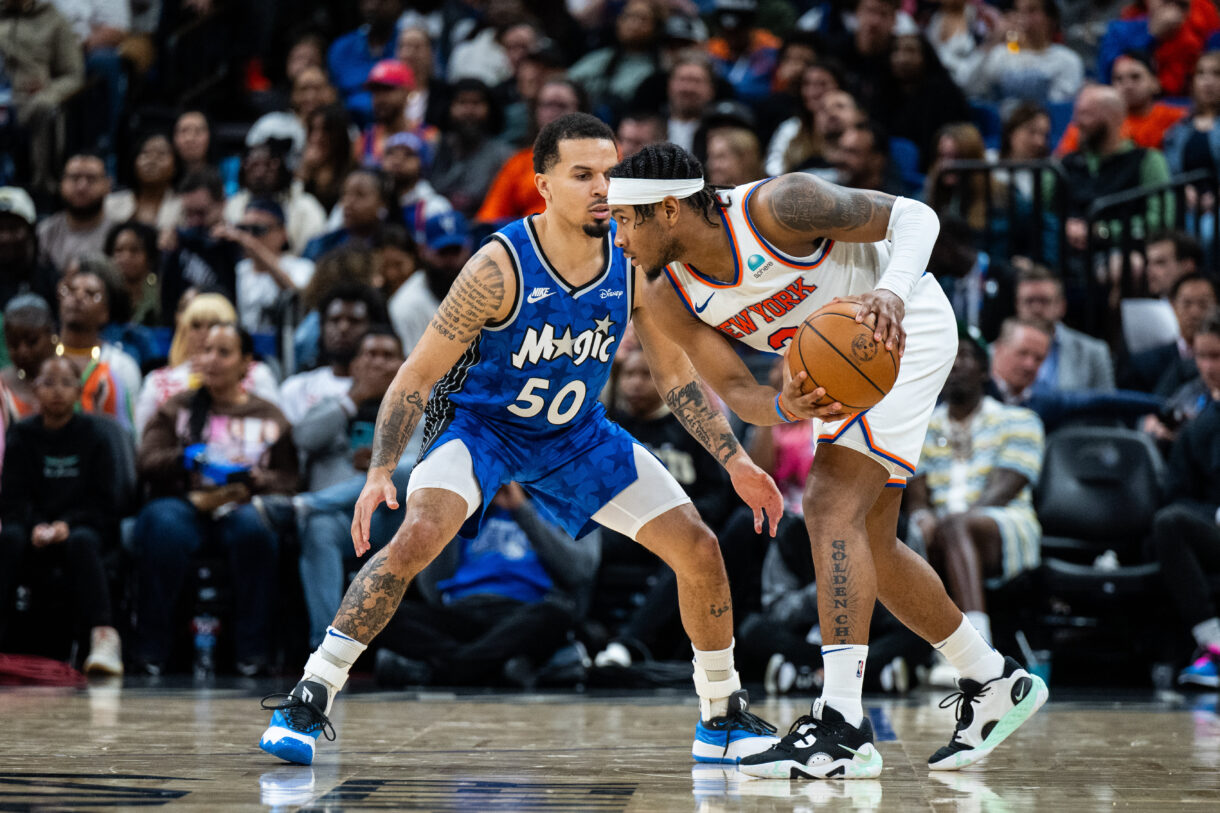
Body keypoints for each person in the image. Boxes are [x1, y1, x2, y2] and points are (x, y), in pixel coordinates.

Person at [260, 113, 784, 768]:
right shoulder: (498, 266)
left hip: (574, 434)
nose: (603, 187)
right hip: (483, 427)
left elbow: (674, 378)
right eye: (583, 174)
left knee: (700, 547)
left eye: (610, 173)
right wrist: (379, 472)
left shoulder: (631, 260)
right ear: (543, 184)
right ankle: (311, 691)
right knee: (418, 535)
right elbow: (416, 375)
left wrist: (735, 460)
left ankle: (721, 716)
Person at [607, 142, 1048, 779]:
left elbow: (917, 216)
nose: (617, 237)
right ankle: (992, 677)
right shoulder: (669, 294)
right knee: (872, 541)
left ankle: (842, 725)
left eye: (626, 220)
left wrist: (891, 294)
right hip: (845, 375)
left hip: (906, 326)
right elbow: (737, 393)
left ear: (669, 209)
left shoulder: (779, 207)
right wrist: (783, 403)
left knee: (826, 506)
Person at [133, 323, 297, 676]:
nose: (211, 359)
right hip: (184, 504)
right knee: (162, 526)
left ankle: (252, 653)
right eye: (205, 350)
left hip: (242, 505)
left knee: (256, 529)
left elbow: (291, 478)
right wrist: (186, 458)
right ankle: (152, 650)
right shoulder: (176, 408)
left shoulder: (270, 415)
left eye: (224, 352)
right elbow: (146, 462)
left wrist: (258, 479)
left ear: (245, 363)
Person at [374, 482, 595, 688]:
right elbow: (432, 585)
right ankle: (485, 667)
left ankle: (444, 669)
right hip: (463, 613)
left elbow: (580, 571)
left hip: (523, 613)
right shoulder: (467, 510)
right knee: (378, 610)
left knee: (557, 613)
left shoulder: (565, 503)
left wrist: (521, 509)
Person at [908, 335, 1045, 653]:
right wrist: (923, 518)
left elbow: (1005, 490)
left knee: (955, 526)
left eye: (966, 356)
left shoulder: (1020, 420)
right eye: (949, 358)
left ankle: (977, 646)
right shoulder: (921, 428)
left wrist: (949, 524)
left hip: (1003, 523)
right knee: (911, 534)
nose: (955, 364)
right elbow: (916, 499)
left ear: (984, 371)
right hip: (941, 527)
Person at [0, 355, 124, 675]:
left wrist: (67, 525)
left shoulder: (95, 435)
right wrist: (35, 525)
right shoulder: (22, 435)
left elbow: (105, 500)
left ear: (78, 390)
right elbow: (13, 496)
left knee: (82, 542)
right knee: (9, 538)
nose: (57, 391)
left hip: (84, 525)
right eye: (48, 383)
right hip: (33, 527)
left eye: (66, 383)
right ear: (35, 389)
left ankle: (104, 638)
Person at [294, 326, 408, 648]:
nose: (378, 363)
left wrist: (382, 466)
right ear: (354, 364)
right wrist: (354, 397)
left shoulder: (418, 409)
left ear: (404, 364)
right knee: (318, 529)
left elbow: (419, 472)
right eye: (370, 355)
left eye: (388, 356)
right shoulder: (332, 403)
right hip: (343, 519)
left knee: (400, 473)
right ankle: (327, 647)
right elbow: (303, 437)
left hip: (394, 521)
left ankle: (307, 504)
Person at [1147, 310, 1220, 687]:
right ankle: (1214, 644)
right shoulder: (1189, 411)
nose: (1209, 366)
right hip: (1210, 523)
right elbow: (1177, 492)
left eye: (1217, 356)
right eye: (1203, 356)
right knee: (1169, 522)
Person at [133, 292, 279, 437]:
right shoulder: (157, 381)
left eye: (214, 324)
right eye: (196, 326)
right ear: (183, 330)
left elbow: (274, 427)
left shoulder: (258, 374)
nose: (204, 333)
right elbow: (141, 438)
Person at [55, 261, 142, 430]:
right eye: (71, 291)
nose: (78, 297)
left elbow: (129, 434)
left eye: (91, 293)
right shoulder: (44, 358)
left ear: (105, 313)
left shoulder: (122, 366)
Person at [279, 283, 379, 424]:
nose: (343, 328)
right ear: (322, 327)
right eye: (334, 320)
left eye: (354, 321)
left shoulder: (383, 387)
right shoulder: (295, 388)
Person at [1056, 52, 1186, 154]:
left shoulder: (1177, 118)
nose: (1127, 85)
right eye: (1119, 79)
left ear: (1155, 83)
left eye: (1135, 77)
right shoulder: (1096, 120)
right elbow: (1063, 158)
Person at [1015, 265, 1116, 392]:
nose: (1036, 309)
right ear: (1017, 306)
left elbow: (1107, 407)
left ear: (1062, 306)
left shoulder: (1093, 353)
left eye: (1044, 301)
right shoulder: (995, 352)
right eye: (1029, 301)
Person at [223, 199, 315, 333]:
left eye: (258, 229)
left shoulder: (301, 267)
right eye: (243, 229)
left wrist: (254, 248)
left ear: (282, 232)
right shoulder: (238, 270)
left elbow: (299, 300)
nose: (248, 237)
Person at [222, 140, 327, 256]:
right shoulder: (233, 205)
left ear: (282, 167)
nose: (260, 173)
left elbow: (314, 254)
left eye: (268, 165)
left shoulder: (306, 206)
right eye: (253, 165)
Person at [161, 169, 243, 315]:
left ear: (223, 204)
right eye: (188, 213)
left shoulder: (238, 244)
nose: (194, 221)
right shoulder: (175, 242)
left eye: (201, 213)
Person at [390, 211, 472, 354]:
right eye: (443, 252)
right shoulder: (407, 304)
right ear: (423, 251)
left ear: (468, 248)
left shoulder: (487, 287)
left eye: (455, 251)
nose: (450, 260)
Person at [37, 152, 114, 273]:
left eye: (91, 179)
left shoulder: (119, 234)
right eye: (74, 178)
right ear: (61, 183)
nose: (81, 186)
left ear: (108, 185)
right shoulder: (45, 233)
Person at [104, 133, 182, 232]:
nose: (152, 160)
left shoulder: (183, 206)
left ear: (175, 166)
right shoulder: (110, 204)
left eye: (162, 153)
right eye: (145, 153)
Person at [0, 293, 55, 423]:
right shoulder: (2, 386)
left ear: (50, 333)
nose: (22, 351)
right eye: (14, 343)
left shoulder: (71, 379)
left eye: (32, 342)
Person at [104, 221, 161, 326]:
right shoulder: (102, 296)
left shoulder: (159, 297)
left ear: (150, 257)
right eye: (119, 250)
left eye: (134, 250)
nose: (126, 257)